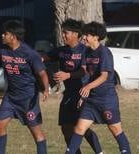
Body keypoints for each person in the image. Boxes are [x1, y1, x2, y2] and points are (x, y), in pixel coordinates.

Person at [66, 22, 131, 154]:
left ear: (96, 37)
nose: (84, 38)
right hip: (91, 101)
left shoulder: (104, 53)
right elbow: (86, 74)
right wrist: (84, 94)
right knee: (79, 129)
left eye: (87, 35)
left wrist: (88, 87)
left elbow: (104, 76)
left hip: (106, 99)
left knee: (115, 129)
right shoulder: (87, 52)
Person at [42, 19, 102, 154]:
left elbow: (84, 70)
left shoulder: (84, 50)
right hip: (68, 94)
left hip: (82, 94)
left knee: (81, 129)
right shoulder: (62, 51)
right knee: (66, 128)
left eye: (65, 33)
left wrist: (67, 75)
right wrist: (34, 57)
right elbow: (45, 56)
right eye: (62, 33)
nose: (63, 35)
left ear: (76, 34)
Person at [0, 20, 50, 154]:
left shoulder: (30, 53)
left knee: (36, 132)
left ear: (13, 36)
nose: (2, 36)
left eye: (5, 33)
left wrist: (46, 89)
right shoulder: (2, 51)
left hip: (28, 98)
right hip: (10, 97)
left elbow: (42, 73)